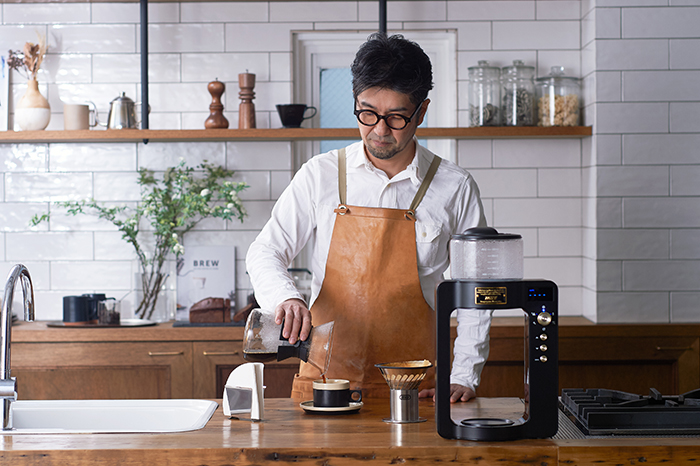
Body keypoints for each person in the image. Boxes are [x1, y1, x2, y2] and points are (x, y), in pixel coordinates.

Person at [246, 33, 492, 402]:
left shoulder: (454, 187)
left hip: (416, 389)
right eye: (367, 113)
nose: (378, 130)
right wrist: (286, 298)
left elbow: (475, 290)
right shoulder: (320, 174)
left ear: (421, 112)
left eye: (395, 118)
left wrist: (464, 375)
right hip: (325, 386)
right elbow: (265, 250)